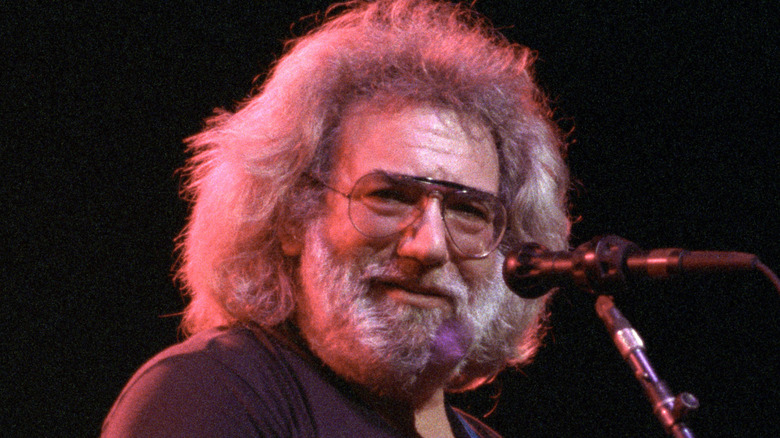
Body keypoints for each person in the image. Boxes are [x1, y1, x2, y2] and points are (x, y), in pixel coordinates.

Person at [101, 0, 570, 436]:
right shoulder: (209, 394)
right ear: (291, 216)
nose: (428, 245)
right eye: (389, 196)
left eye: (467, 210)